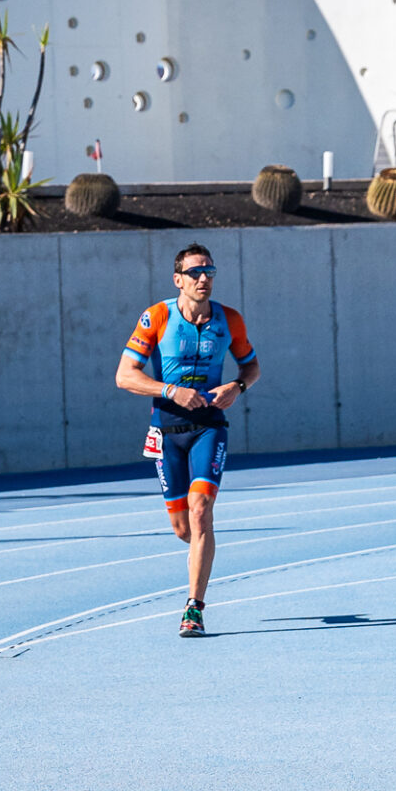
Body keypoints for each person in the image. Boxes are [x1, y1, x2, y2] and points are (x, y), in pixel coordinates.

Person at [115, 243, 260, 637]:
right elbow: (125, 376)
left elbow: (251, 365)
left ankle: (193, 607)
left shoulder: (229, 320)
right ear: (177, 279)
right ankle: (202, 550)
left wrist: (238, 387)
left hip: (209, 428)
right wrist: (170, 391)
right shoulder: (157, 316)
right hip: (167, 433)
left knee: (201, 512)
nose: (203, 279)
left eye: (209, 272)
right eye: (195, 273)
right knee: (184, 528)